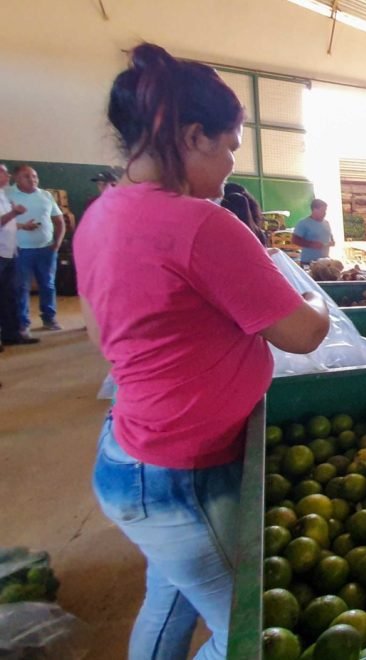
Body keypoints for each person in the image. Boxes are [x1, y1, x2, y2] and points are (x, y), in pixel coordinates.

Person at [74, 43, 330, 659]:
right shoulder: (201, 225)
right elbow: (304, 334)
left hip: (131, 455)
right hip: (183, 474)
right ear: (194, 137)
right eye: (232, 143)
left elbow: (102, 336)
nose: (234, 160)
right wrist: (315, 298)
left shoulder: (101, 216)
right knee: (253, 641)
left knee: (169, 603)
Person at [7, 165, 65, 332]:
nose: (32, 179)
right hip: (20, 250)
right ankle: (22, 323)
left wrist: (57, 243)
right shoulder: (7, 195)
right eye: (27, 176)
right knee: (21, 287)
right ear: (16, 178)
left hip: (46, 250)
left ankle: (49, 318)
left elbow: (59, 221)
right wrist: (22, 226)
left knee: (48, 285)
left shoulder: (46, 195)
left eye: (34, 176)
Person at [0, 164, 40, 348]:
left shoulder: (3, 195)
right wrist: (14, 212)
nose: (7, 175)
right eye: (2, 172)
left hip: (9, 252)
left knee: (10, 296)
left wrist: (23, 226)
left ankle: (11, 334)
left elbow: (7, 224)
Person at [292, 199, 334, 264]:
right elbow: (295, 240)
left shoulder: (326, 223)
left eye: (325, 211)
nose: (324, 213)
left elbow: (329, 235)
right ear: (314, 210)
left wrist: (332, 241)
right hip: (309, 261)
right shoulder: (303, 223)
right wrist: (311, 244)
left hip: (325, 260)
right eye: (322, 211)